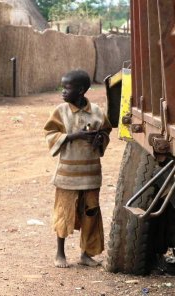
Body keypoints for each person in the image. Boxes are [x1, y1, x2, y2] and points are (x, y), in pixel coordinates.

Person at [44, 69, 112, 268]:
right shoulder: (60, 111)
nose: (63, 91)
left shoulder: (97, 112)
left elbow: (106, 131)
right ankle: (60, 253)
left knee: (90, 213)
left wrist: (100, 138)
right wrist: (75, 136)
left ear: (81, 90)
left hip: (91, 174)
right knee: (65, 212)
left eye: (67, 87)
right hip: (68, 175)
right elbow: (50, 133)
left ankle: (86, 254)